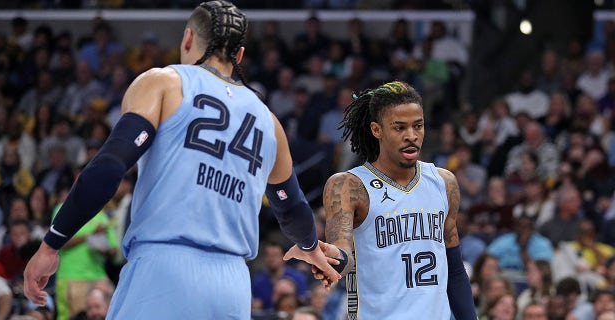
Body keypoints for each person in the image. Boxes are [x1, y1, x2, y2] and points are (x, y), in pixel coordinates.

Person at [23, 2, 341, 319]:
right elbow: (291, 206)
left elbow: (109, 168)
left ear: (187, 39)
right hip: (231, 286)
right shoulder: (270, 123)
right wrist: (311, 247)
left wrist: (52, 243)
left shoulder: (164, 82)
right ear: (239, 56)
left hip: (163, 271)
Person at [312, 81, 476, 319]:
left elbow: (455, 270)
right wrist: (331, 259)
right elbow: (343, 253)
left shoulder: (444, 182)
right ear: (377, 130)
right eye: (399, 128)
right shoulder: (349, 185)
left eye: (418, 126)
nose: (412, 136)